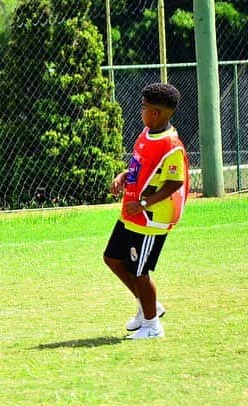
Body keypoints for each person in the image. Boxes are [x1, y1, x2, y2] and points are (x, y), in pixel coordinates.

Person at [104, 82, 189, 339]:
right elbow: (139, 166)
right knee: (112, 258)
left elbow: (176, 182)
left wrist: (144, 203)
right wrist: (122, 176)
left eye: (144, 108)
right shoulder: (146, 132)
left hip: (150, 219)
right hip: (131, 214)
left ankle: (152, 327)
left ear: (156, 113)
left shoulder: (172, 146)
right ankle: (148, 306)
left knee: (139, 270)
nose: (141, 111)